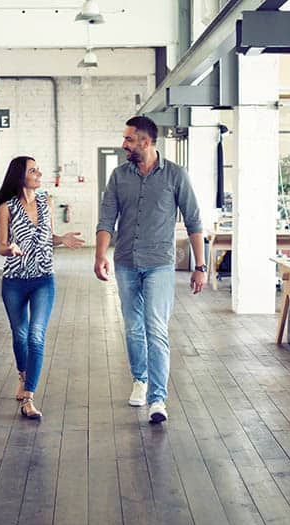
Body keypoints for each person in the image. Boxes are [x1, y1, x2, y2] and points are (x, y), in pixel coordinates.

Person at [95, 116, 206, 424]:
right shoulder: (119, 176)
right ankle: (139, 380)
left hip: (159, 264)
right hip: (126, 262)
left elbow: (195, 222)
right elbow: (106, 220)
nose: (124, 144)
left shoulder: (175, 176)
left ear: (146, 142)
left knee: (155, 329)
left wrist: (201, 266)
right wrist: (100, 255)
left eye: (129, 139)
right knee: (133, 328)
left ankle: (158, 398)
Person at [0, 156, 84, 419]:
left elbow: (49, 237)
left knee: (36, 335)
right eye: (33, 170)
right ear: (20, 176)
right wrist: (9, 248)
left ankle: (29, 397)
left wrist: (61, 239)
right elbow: (1, 245)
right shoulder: (6, 208)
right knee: (20, 335)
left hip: (43, 278)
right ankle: (23, 376)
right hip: (14, 281)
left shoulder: (47, 201)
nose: (39, 173)